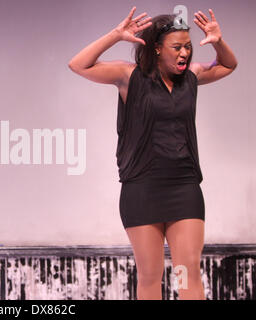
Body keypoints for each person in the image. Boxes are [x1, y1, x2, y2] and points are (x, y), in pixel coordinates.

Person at [68, 7, 237, 299]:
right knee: (150, 275)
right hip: (142, 188)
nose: (185, 53)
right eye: (177, 47)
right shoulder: (129, 76)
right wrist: (116, 35)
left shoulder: (192, 77)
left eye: (188, 46)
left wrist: (219, 41)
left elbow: (228, 65)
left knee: (188, 272)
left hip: (184, 187)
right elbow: (78, 65)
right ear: (157, 49)